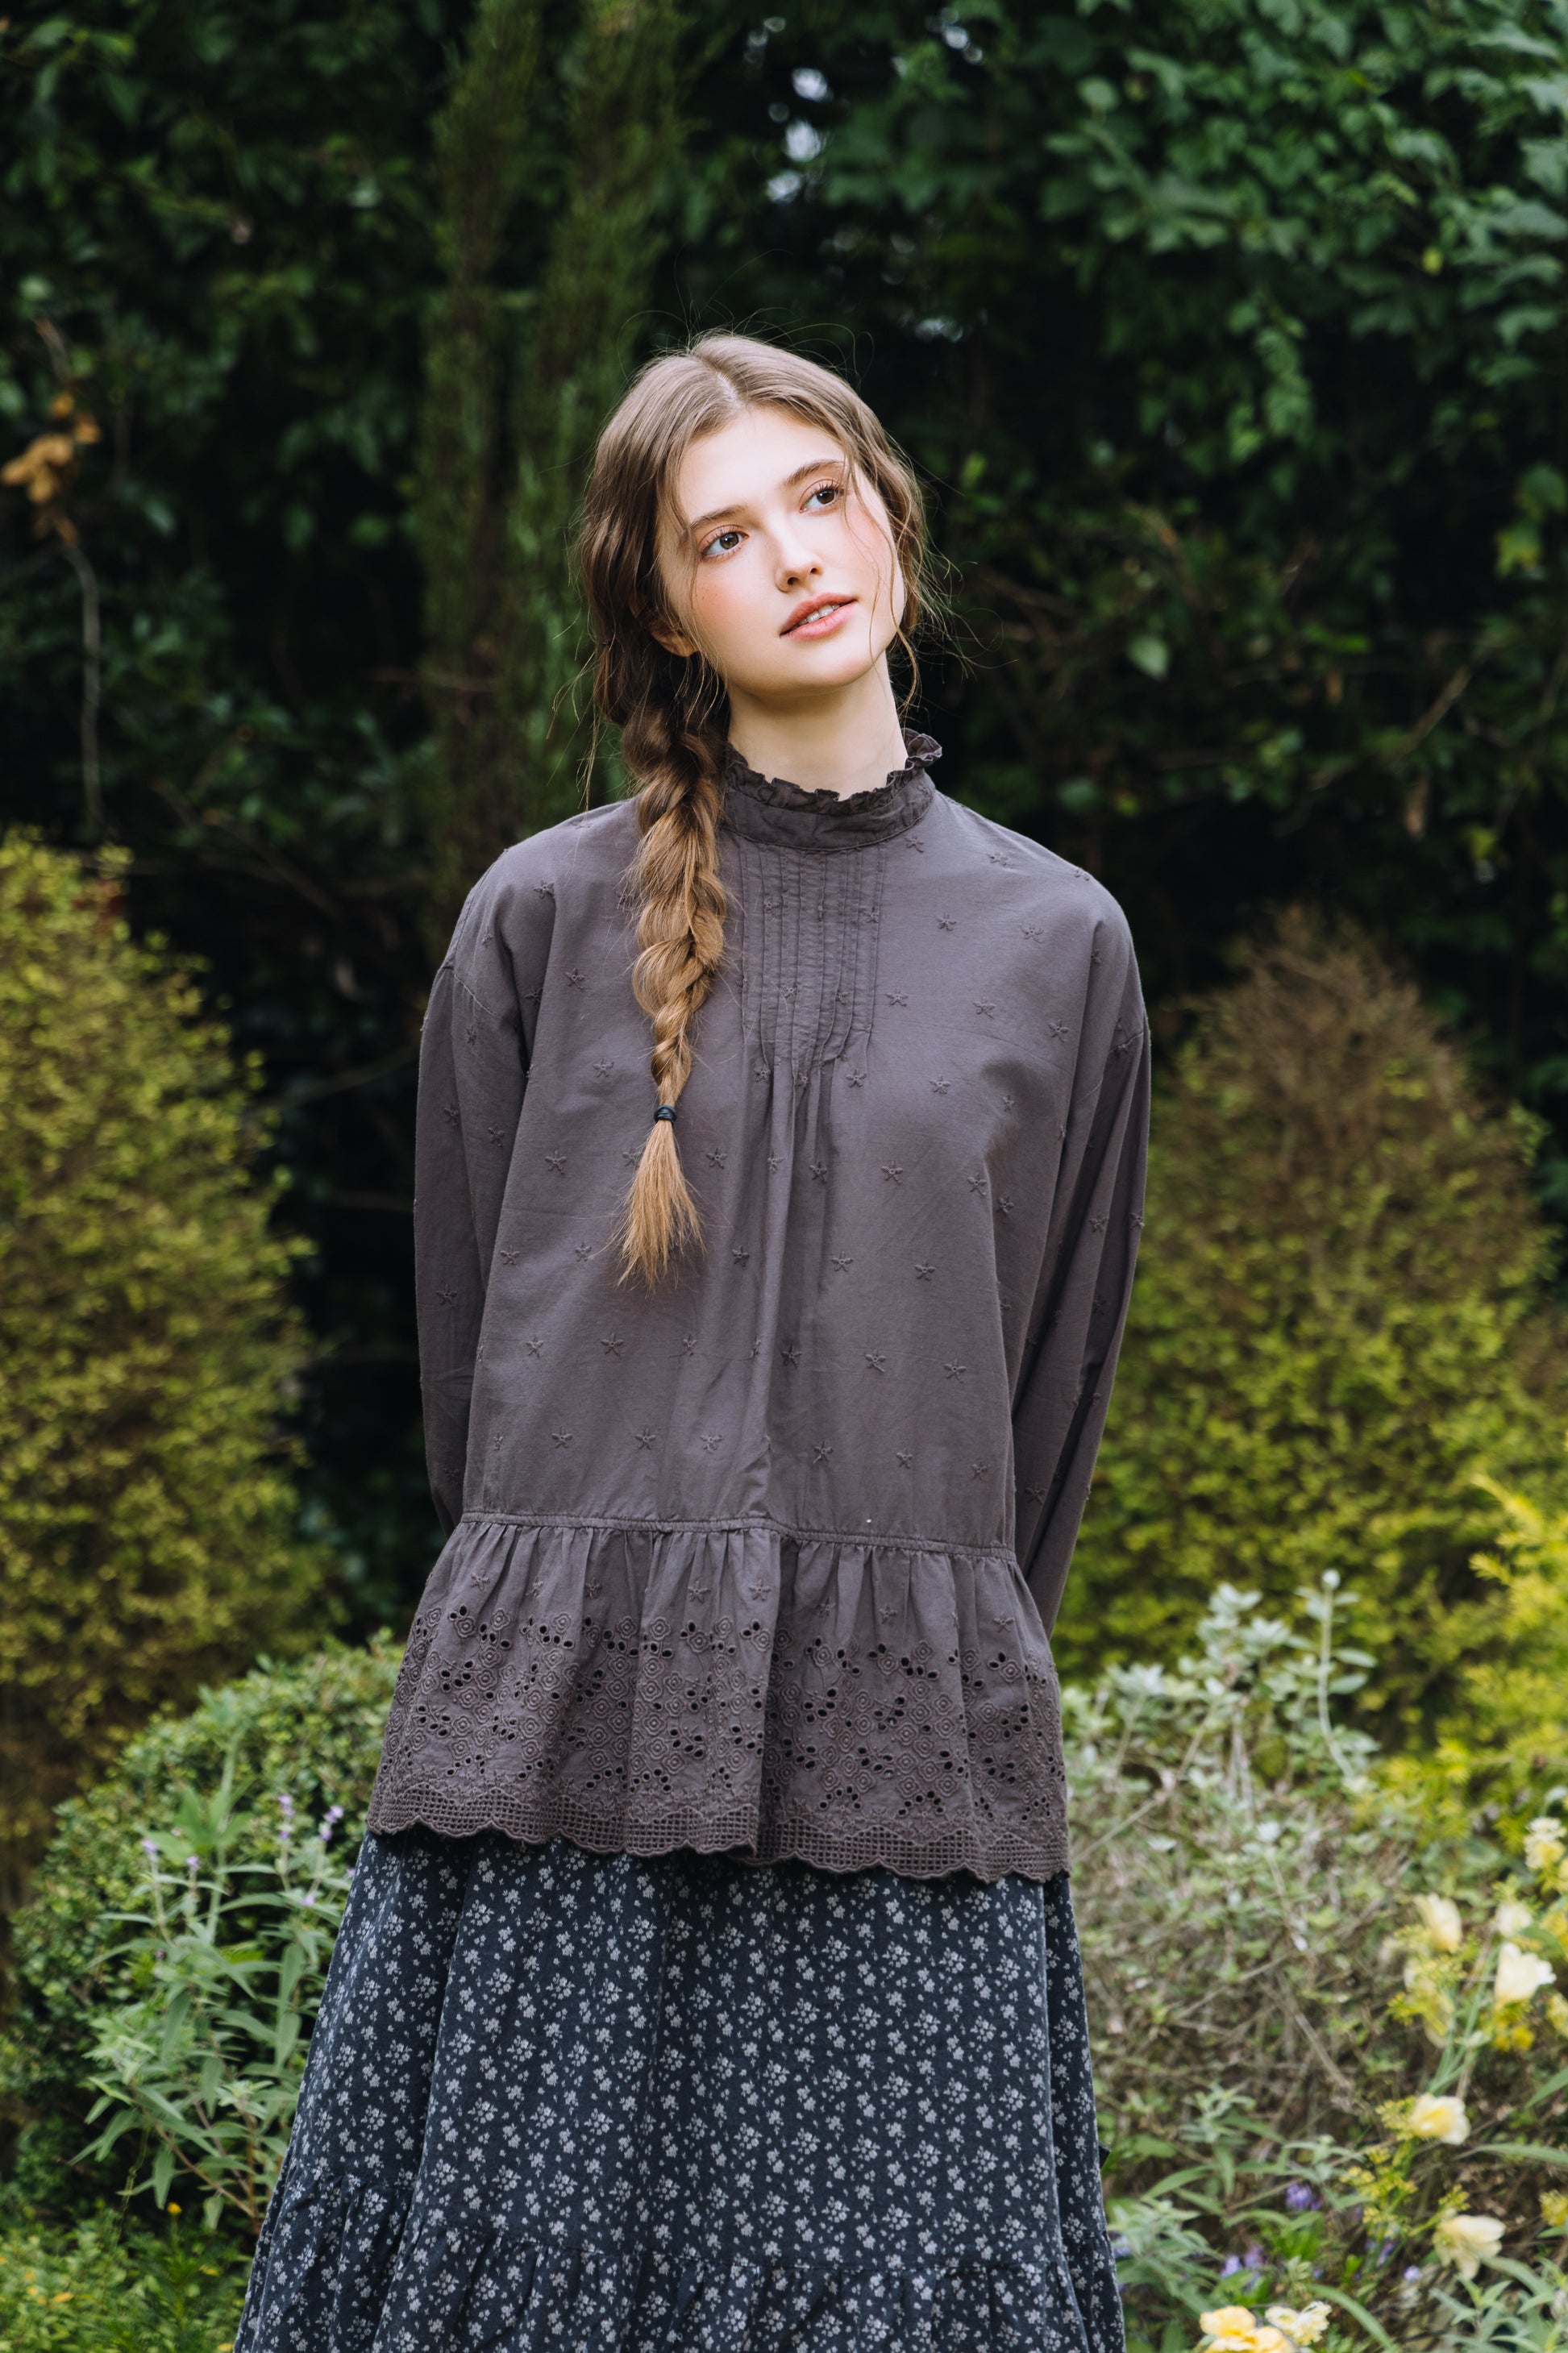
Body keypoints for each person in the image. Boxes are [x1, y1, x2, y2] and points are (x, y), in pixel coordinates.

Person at [235, 331, 1150, 2353]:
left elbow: (1051, 1397)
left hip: (905, 1744)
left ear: (888, 511)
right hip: (566, 1726)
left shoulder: (1060, 941)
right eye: (724, 536)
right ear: (665, 611)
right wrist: (614, 1594)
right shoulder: (541, 918)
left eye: (821, 497)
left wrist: (904, 1629)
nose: (797, 556)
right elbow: (471, 1367)